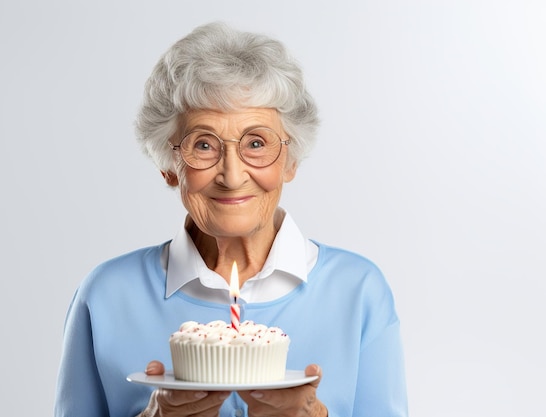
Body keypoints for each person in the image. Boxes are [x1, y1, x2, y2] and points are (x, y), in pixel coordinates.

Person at [54, 22, 408, 417]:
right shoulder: (106, 295)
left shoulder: (358, 291)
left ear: (290, 161)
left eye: (256, 143)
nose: (232, 175)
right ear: (168, 167)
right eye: (203, 144)